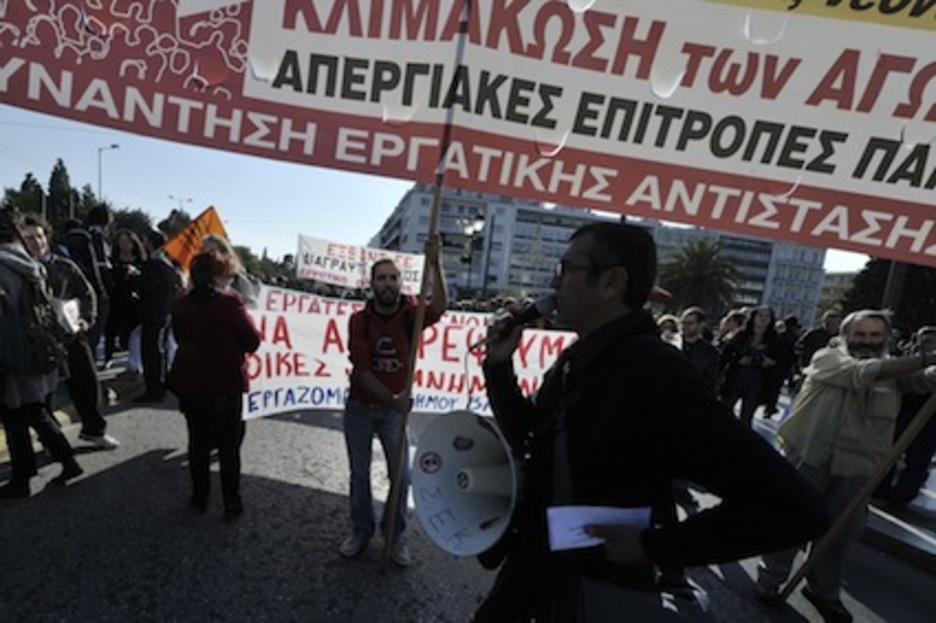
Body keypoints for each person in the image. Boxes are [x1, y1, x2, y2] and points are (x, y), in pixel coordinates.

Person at [474, 222, 829, 622]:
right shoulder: (581, 357)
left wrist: (655, 545)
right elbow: (528, 434)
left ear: (611, 281)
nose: (553, 282)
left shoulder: (655, 371)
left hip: (593, 593)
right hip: (535, 573)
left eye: (565, 267)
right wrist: (499, 366)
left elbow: (794, 507)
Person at [755, 310, 936, 622]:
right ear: (847, 334)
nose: (867, 341)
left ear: (886, 338)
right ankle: (770, 579)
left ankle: (824, 590)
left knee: (841, 533)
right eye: (860, 334)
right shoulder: (828, 357)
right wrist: (926, 358)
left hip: (859, 465)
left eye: (875, 336)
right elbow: (863, 372)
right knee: (793, 520)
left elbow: (921, 382)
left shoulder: (896, 370)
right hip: (812, 455)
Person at [339, 235, 448, 566]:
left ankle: (395, 535)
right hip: (360, 408)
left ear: (401, 283)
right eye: (381, 278)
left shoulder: (410, 315)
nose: (387, 284)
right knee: (360, 475)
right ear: (371, 285)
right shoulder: (360, 320)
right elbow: (361, 371)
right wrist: (393, 399)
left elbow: (441, 307)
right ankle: (361, 530)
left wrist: (435, 262)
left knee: (401, 477)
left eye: (393, 278)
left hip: (393, 414)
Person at [168, 251, 261, 518]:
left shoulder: (180, 303)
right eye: (228, 275)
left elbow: (179, 335)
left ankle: (200, 498)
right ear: (219, 276)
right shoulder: (230, 304)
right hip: (225, 386)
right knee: (229, 448)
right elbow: (252, 341)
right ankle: (231, 503)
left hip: (191, 383)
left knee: (197, 443)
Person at [0, 205, 83, 498]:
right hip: (34, 345)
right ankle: (68, 461)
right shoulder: (26, 261)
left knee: (14, 414)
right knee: (34, 409)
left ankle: (22, 479)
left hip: (9, 350)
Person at [20, 215, 119, 449]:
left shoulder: (64, 265)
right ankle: (51, 440)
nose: (36, 242)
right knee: (43, 394)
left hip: (71, 334)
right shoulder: (18, 271)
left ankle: (94, 430)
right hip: (37, 342)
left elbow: (87, 293)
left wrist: (86, 319)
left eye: (39, 236)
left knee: (86, 381)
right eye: (29, 238)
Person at [875, 325, 936, 507]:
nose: (926, 345)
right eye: (923, 341)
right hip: (903, 411)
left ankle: (903, 495)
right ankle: (880, 488)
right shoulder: (908, 358)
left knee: (918, 458)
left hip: (929, 418)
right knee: (887, 452)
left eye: (931, 341)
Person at [135, 229, 183, 403]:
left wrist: (135, 278)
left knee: (151, 352)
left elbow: (148, 287)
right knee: (159, 351)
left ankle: (153, 389)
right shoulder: (167, 264)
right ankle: (160, 385)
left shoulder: (153, 264)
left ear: (148, 242)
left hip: (152, 312)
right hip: (165, 311)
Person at [61, 205, 114, 359]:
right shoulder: (94, 236)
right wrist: (104, 290)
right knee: (93, 334)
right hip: (92, 290)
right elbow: (98, 267)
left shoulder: (69, 235)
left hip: (70, 291)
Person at [718, 306, 779, 427]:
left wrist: (767, 362)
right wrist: (738, 360)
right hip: (736, 377)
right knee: (724, 412)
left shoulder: (774, 339)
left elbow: (778, 360)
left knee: (746, 417)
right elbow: (726, 355)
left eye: (767, 316)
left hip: (758, 381)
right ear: (753, 317)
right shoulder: (741, 335)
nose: (763, 319)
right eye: (760, 315)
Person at [105, 229, 146, 369]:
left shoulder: (141, 261)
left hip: (134, 302)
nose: (124, 245)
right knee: (111, 330)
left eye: (127, 241)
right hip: (115, 299)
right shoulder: (112, 261)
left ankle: (133, 360)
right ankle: (107, 357)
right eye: (121, 241)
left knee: (132, 332)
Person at [199, 234, 258, 306]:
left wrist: (236, 301)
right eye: (203, 250)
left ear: (224, 254)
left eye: (212, 251)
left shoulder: (238, 280)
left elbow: (252, 304)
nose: (207, 255)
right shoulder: (197, 277)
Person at [679, 306, 719, 395]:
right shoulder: (673, 343)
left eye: (690, 323)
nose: (684, 326)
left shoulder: (710, 352)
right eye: (683, 323)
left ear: (701, 325)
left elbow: (711, 380)